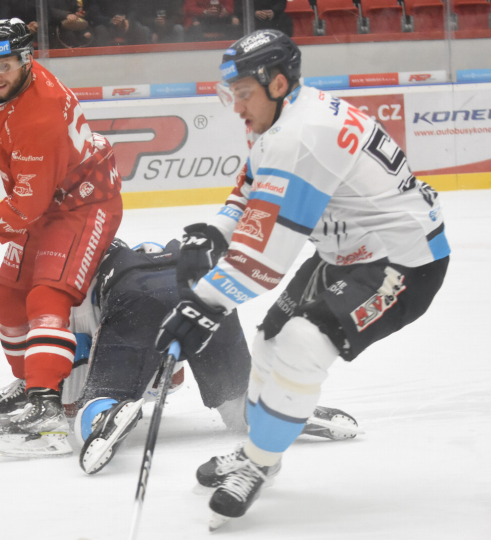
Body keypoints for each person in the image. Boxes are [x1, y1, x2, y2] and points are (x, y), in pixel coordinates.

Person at [155, 29, 450, 529]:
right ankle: (260, 449)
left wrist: (202, 305)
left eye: (242, 92)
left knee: (301, 343)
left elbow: (265, 257)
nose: (236, 106)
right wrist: (214, 231)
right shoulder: (281, 117)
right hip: (344, 254)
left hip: (403, 261)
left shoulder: (303, 136)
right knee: (269, 341)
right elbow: (250, 183)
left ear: (275, 83)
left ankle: (258, 462)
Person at [0, 18, 123, 458]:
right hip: (47, 196)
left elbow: (27, 206)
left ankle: (47, 408)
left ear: (27, 60)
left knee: (46, 297)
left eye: (5, 64)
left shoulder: (42, 113)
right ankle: (30, 382)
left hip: (83, 204)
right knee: (6, 299)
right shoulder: (2, 83)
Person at [62, 239, 358, 474]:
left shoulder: (76, 291)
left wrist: (89, 399)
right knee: (237, 398)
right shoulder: (147, 251)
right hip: (206, 287)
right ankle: (274, 411)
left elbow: (79, 363)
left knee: (98, 399)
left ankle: (103, 416)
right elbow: (173, 377)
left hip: (135, 297)